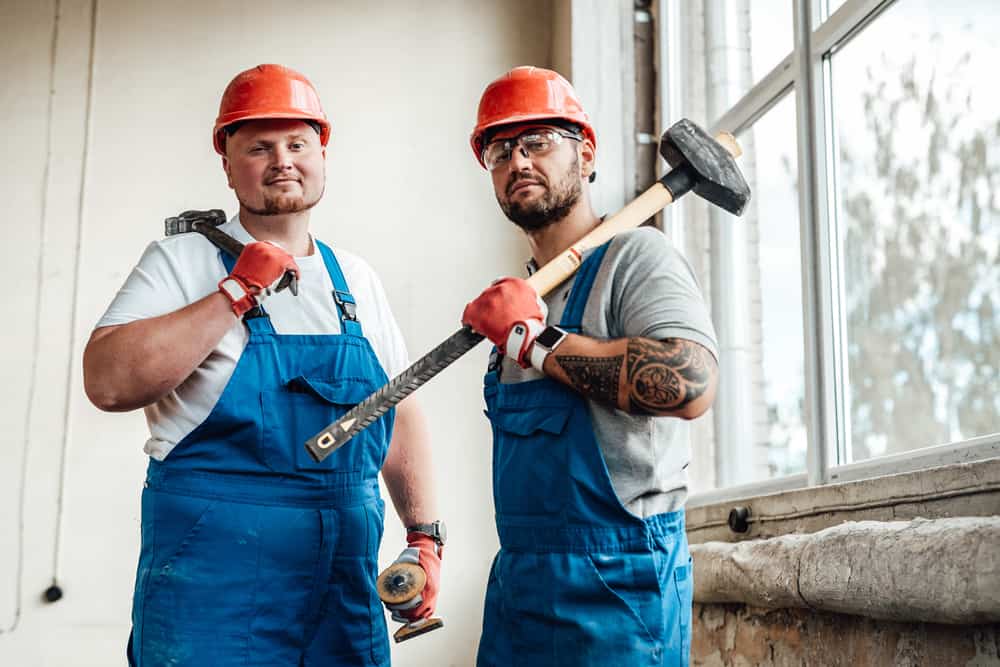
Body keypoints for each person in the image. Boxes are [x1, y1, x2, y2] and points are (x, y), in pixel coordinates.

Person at [82, 64, 444, 667]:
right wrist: (233, 293)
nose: (282, 161)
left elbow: (398, 411)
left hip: (342, 583)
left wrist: (425, 538)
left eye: (297, 144)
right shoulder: (179, 262)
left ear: (322, 155)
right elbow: (108, 383)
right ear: (227, 163)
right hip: (215, 590)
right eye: (259, 147)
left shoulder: (355, 278)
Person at [461, 66, 720, 666]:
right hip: (520, 592)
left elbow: (690, 382)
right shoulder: (521, 298)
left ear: (586, 152)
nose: (518, 160)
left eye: (538, 142)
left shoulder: (636, 257)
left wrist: (536, 342)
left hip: (619, 592)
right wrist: (522, 330)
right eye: (501, 150)